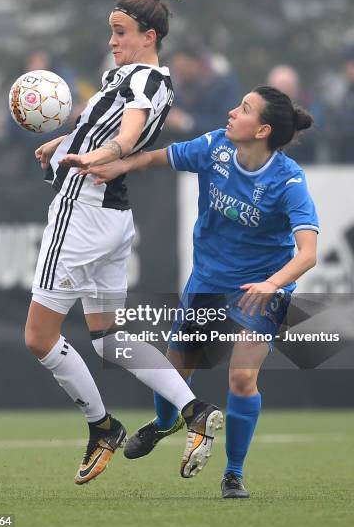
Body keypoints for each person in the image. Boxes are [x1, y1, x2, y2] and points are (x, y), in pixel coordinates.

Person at [25, 0, 222, 487]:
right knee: (109, 339)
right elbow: (110, 124)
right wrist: (64, 140)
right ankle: (196, 411)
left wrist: (99, 154)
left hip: (82, 211)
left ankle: (102, 427)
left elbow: (128, 133)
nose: (112, 41)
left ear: (148, 36)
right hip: (114, 216)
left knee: (39, 338)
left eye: (119, 32)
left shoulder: (143, 80)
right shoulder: (134, 79)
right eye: (111, 32)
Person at [79, 85, 319, 498]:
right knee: (174, 375)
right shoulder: (214, 147)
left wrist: (272, 283)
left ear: (262, 130)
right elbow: (160, 157)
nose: (230, 112)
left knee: (242, 378)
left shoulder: (288, 180)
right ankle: (163, 424)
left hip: (258, 290)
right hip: (207, 282)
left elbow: (309, 253)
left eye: (242, 109)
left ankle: (234, 473)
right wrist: (120, 166)